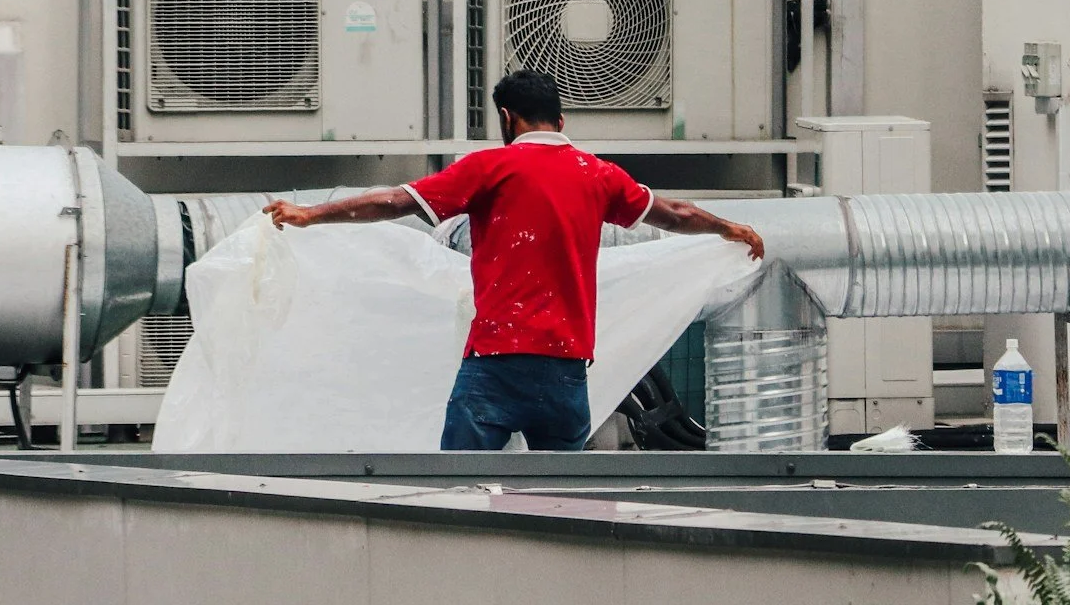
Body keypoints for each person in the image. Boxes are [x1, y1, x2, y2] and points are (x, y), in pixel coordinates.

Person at [265, 69, 765, 451]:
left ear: (507, 117)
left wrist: (310, 213)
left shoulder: (489, 168)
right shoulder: (598, 175)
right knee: (560, 501)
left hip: (496, 364)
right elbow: (674, 214)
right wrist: (728, 227)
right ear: (562, 120)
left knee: (460, 489)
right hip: (566, 368)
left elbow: (395, 202)